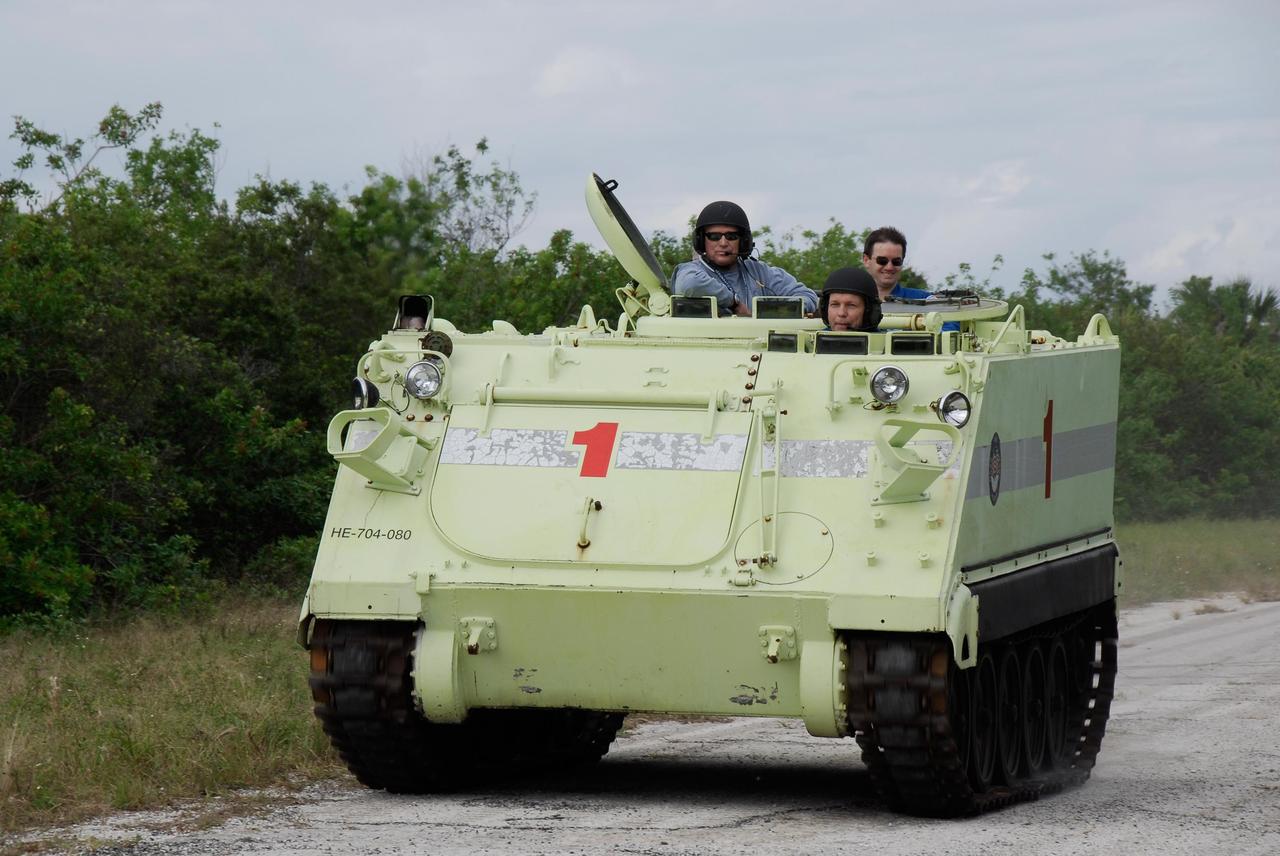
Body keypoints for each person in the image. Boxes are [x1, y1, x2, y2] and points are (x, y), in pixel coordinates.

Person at [673, 201, 818, 316]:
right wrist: (734, 303)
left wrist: (770, 312)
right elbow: (689, 284)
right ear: (701, 241)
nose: (723, 243)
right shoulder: (690, 271)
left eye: (731, 236)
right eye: (714, 237)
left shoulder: (760, 273)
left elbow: (808, 297)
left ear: (743, 241)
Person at [862, 226, 930, 303]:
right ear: (866, 260)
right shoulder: (850, 302)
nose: (889, 267)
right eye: (882, 261)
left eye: (896, 261)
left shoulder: (924, 300)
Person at [820, 267, 882, 332]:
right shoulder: (812, 340)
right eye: (835, 305)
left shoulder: (886, 341)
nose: (841, 313)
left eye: (851, 305)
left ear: (870, 312)